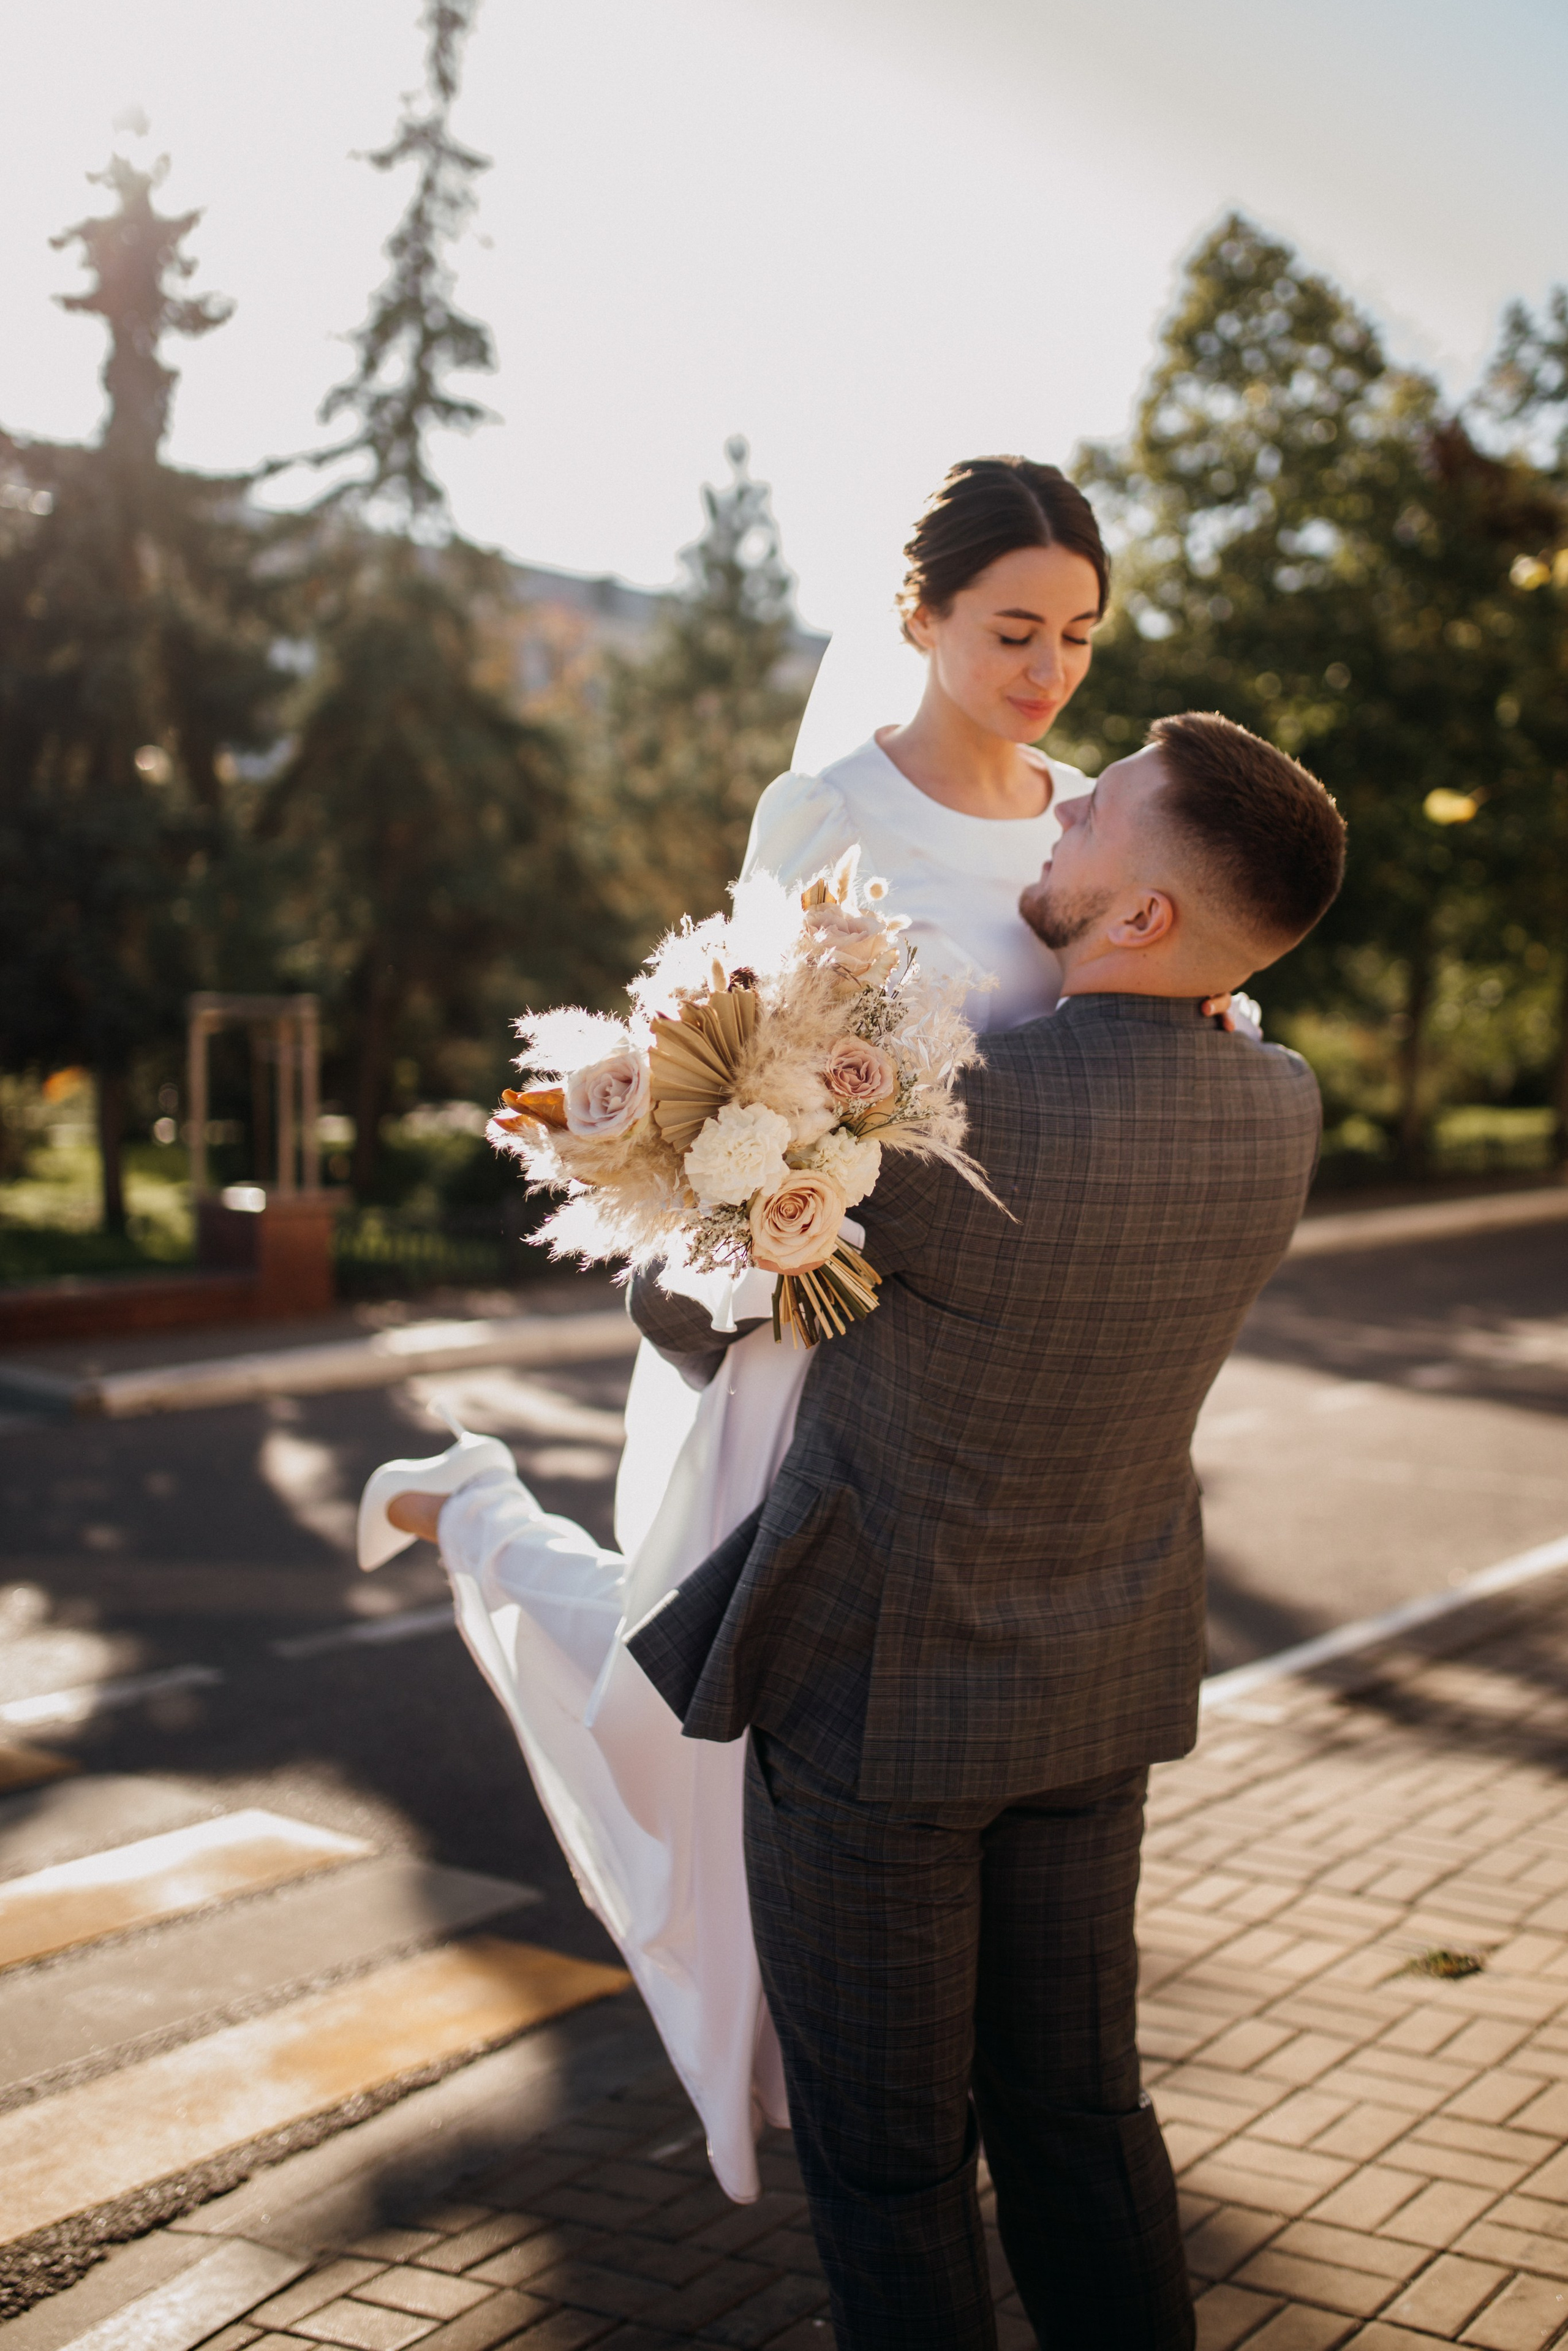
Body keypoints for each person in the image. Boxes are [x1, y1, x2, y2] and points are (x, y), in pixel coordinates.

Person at [369, 458, 1171, 2202]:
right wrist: (780, 1180)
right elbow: (738, 1074)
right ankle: (482, 1514)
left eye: (1082, 636)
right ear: (922, 620)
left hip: (1012, 1380)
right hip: (830, 1325)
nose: (1049, 670)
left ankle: (867, 2076)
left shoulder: (1096, 820)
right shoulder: (828, 813)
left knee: (902, 1753)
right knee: (689, 1699)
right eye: (1015, 630)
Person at [624, 711, 1348, 2348]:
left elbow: (690, 1305)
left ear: (1144, 916)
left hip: (877, 1702)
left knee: (892, 2171)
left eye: (1100, 816)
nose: (1064, 812)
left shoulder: (953, 1118)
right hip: (1099, 1684)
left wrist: (698, 1164)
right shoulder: (1280, 1105)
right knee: (1083, 2119)